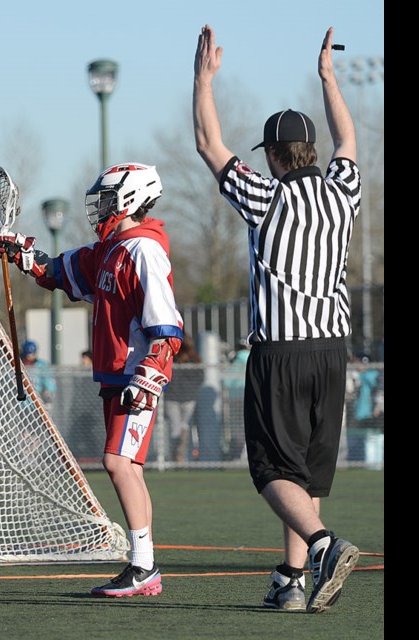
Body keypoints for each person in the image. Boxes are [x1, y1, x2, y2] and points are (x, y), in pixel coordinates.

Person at [193, 25, 360, 613]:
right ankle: (292, 579)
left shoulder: (267, 199)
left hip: (282, 350)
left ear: (271, 155)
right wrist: (329, 79)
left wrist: (203, 80)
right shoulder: (344, 191)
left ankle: (322, 545)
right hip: (333, 350)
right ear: (310, 151)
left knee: (270, 470)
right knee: (306, 476)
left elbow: (208, 143)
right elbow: (349, 138)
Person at [0, 161, 182, 599]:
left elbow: (166, 322)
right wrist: (19, 250)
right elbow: (58, 271)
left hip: (136, 376)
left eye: (108, 200)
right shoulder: (112, 249)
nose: (100, 210)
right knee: (128, 466)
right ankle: (142, 564)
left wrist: (150, 371)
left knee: (118, 463)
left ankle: (144, 566)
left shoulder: (143, 249)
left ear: (130, 199)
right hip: (115, 376)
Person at [162, 339, 203, 463]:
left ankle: (181, 456)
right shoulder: (171, 357)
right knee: (176, 428)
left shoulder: (194, 360)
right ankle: (176, 457)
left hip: (187, 398)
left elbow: (200, 377)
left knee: (184, 428)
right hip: (173, 399)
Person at [19, 340, 56, 409]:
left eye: (32, 354)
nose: (30, 357)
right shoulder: (19, 365)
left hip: (37, 400)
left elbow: (48, 380)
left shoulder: (41, 365)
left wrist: (49, 391)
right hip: (22, 402)